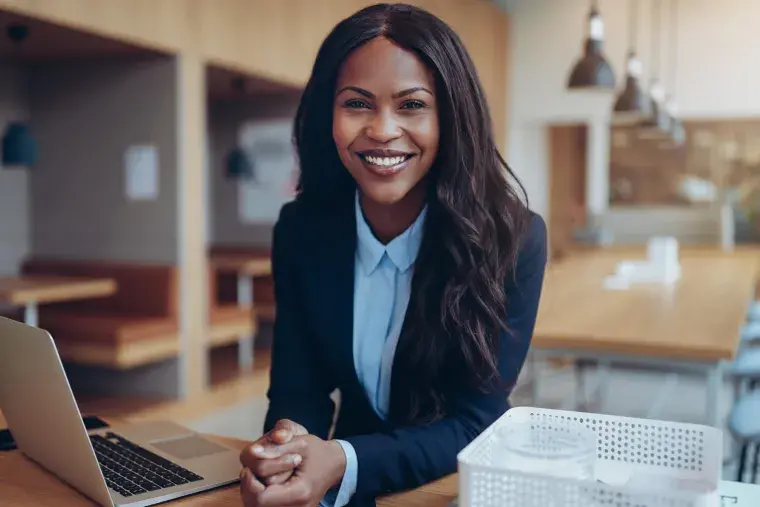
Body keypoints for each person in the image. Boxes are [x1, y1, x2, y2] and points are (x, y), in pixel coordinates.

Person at [239, 3, 547, 507]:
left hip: (449, 487)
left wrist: (340, 460)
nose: (382, 130)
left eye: (411, 105)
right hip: (346, 488)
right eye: (357, 103)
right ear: (328, 115)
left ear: (450, 117)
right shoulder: (301, 231)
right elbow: (299, 388)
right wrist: (285, 451)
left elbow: (476, 420)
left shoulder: (511, 240)